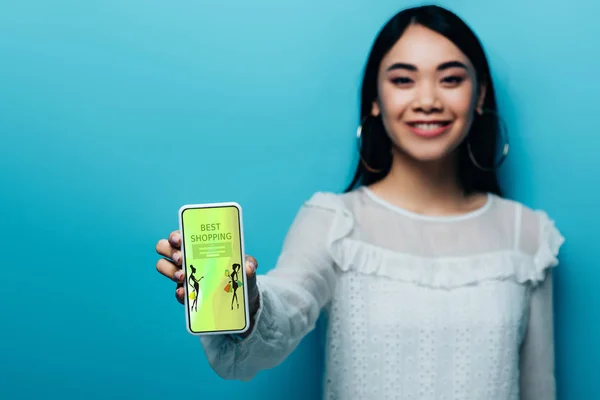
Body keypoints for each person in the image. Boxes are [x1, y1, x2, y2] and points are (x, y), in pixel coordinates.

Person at [155, 5, 564, 399]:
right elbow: (274, 327)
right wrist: (247, 297)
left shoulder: (528, 233)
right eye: (403, 80)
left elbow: (538, 388)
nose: (427, 100)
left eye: (451, 79)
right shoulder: (334, 220)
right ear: (374, 99)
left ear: (480, 96)